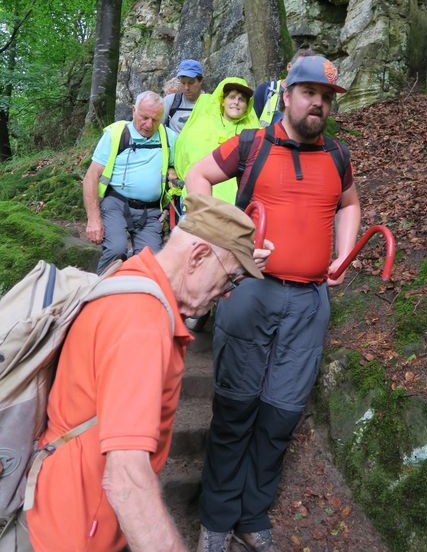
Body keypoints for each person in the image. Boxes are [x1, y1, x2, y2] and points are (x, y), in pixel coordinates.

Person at [23, 193, 269, 552]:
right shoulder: (141, 323)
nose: (228, 293)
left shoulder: (132, 275)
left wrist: (236, 258)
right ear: (198, 256)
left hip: (70, 508)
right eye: (230, 279)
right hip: (76, 532)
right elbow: (126, 480)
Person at [186, 55, 361, 552]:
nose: (318, 104)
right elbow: (198, 178)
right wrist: (229, 238)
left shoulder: (339, 155)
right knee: (236, 408)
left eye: (326, 98)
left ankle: (252, 514)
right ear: (285, 95)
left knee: (281, 413)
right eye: (310, 93)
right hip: (251, 292)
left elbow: (349, 205)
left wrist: (343, 255)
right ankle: (216, 520)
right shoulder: (251, 144)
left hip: (309, 302)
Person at [83, 91, 177, 275]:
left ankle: (137, 299)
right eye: (144, 117)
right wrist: (93, 219)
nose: (149, 125)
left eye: (155, 120)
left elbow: (180, 166)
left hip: (150, 212)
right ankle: (97, 293)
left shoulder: (169, 138)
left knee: (150, 262)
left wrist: (172, 171)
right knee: (116, 249)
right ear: (134, 110)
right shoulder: (116, 134)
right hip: (115, 203)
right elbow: (91, 177)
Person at [174, 77, 260, 205]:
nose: (236, 102)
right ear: (222, 100)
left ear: (247, 105)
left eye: (241, 99)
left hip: (238, 207)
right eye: (232, 97)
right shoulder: (203, 125)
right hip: (201, 201)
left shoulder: (253, 132)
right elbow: (186, 156)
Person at [253, 48, 317, 127]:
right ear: (289, 66)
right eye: (299, 68)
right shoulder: (265, 90)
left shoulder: (310, 98)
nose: (302, 73)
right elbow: (250, 124)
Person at [162, 59, 205, 134]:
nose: (186, 88)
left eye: (191, 83)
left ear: (200, 81)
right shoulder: (170, 101)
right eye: (183, 83)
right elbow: (156, 127)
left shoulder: (211, 103)